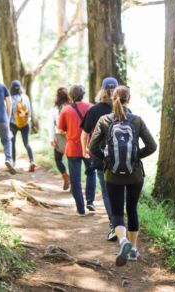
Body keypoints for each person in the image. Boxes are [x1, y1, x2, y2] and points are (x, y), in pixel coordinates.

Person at [89, 85, 157, 266]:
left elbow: (92, 147)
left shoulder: (104, 120)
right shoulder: (136, 120)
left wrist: (107, 159)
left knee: (118, 212)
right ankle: (133, 249)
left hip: (112, 175)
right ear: (129, 99)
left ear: (113, 99)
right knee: (132, 210)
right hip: (134, 175)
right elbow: (152, 146)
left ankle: (123, 241)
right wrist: (135, 157)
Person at [80, 77, 119, 241]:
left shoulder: (94, 110)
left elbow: (84, 134)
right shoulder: (125, 110)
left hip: (100, 158)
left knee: (106, 192)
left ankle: (114, 225)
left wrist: (84, 150)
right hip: (121, 158)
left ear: (101, 91)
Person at [58, 84, 96, 216]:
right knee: (91, 173)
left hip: (73, 148)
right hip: (89, 147)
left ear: (71, 96)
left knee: (75, 180)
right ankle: (90, 201)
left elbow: (61, 129)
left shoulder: (66, 110)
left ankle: (80, 209)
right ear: (83, 94)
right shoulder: (91, 107)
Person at [9, 80, 36, 172]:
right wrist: (29, 120)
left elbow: (9, 113)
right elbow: (29, 112)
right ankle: (32, 161)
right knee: (26, 143)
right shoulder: (25, 97)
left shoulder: (10, 98)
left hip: (13, 124)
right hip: (25, 123)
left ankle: (13, 162)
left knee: (12, 142)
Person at [48, 87, 71, 190]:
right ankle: (74, 185)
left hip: (60, 137)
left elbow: (50, 125)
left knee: (58, 159)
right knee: (72, 161)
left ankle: (65, 176)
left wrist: (51, 139)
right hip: (72, 136)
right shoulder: (72, 106)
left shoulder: (54, 109)